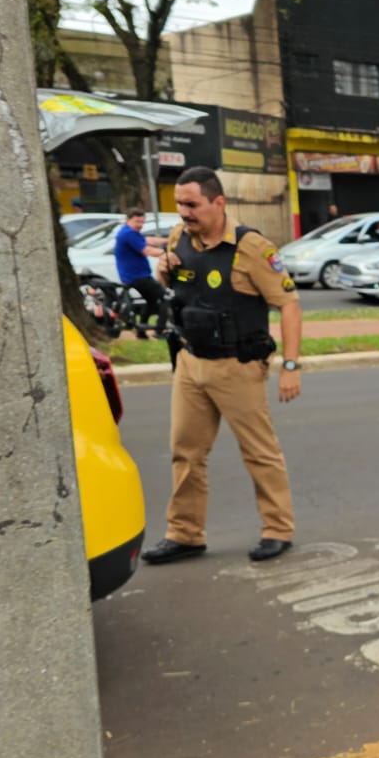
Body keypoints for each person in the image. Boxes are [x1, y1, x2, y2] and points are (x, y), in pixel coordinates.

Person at [140, 166, 303, 566]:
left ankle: (277, 529)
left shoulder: (252, 248)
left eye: (192, 204)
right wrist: (163, 272)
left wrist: (291, 365)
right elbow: (176, 288)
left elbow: (289, 305)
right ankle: (185, 534)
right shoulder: (180, 237)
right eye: (179, 204)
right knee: (185, 452)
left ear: (218, 202)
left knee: (260, 453)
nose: (184, 212)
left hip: (237, 368)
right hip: (190, 363)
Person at [113, 207, 168, 337]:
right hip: (137, 277)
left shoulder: (129, 232)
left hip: (136, 276)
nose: (140, 225)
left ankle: (141, 332)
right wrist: (168, 254)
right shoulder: (128, 234)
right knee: (166, 298)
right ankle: (160, 330)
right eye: (137, 222)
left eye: (142, 222)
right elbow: (147, 250)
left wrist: (168, 240)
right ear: (128, 220)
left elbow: (148, 240)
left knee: (152, 302)